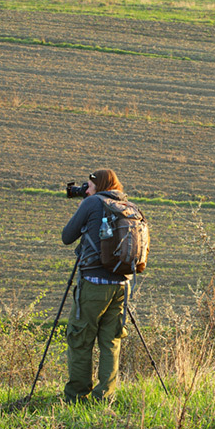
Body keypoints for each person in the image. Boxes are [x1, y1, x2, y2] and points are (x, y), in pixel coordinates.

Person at [61, 168, 132, 403]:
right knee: (110, 340)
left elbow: (67, 236)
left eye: (89, 185)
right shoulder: (126, 206)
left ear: (99, 185)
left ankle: (77, 396)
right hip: (121, 284)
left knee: (80, 337)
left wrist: (85, 207)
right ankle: (105, 396)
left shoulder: (92, 203)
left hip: (94, 283)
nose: (86, 189)